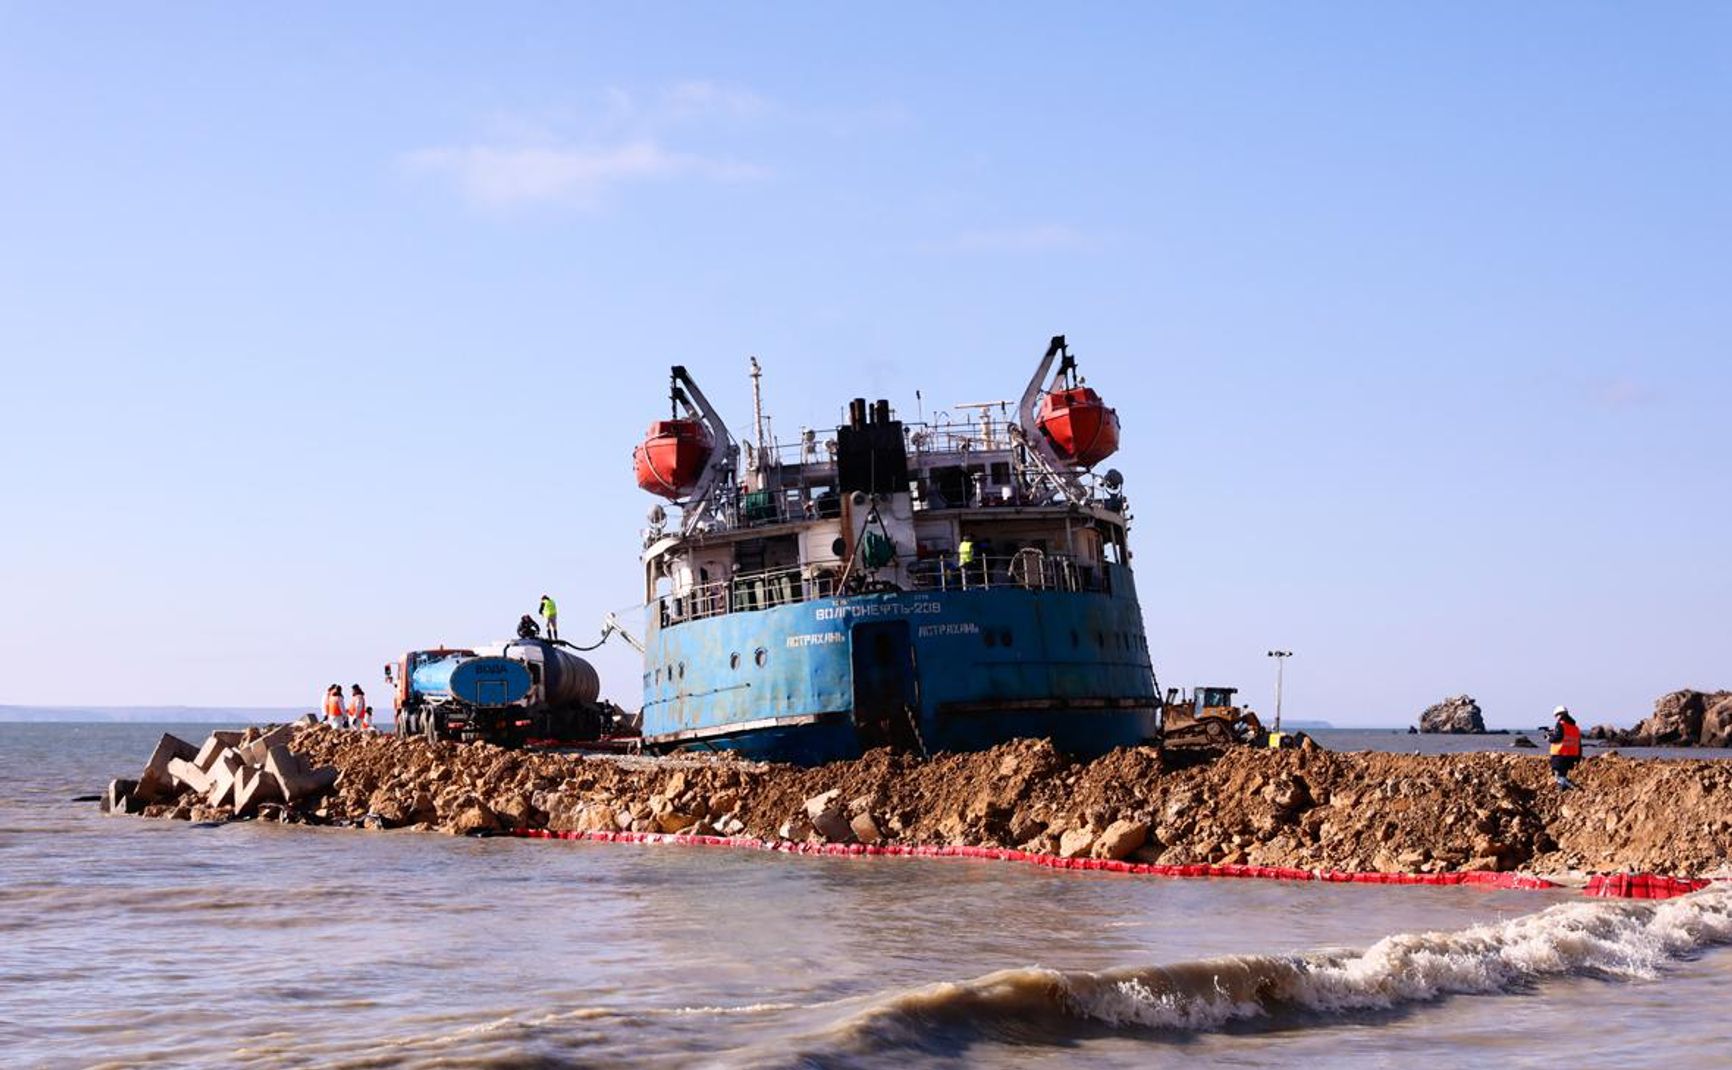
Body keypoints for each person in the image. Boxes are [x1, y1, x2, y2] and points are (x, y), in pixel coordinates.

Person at [1548, 705, 1582, 790]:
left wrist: (1549, 738)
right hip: (1571, 757)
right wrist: (1578, 758)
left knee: (1558, 776)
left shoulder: (1561, 724)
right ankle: (1561, 791)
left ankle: (1574, 787)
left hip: (1560, 755)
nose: (1556, 718)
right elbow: (1578, 744)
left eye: (1556, 716)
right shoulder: (1575, 727)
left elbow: (1558, 737)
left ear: (1560, 714)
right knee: (1562, 775)